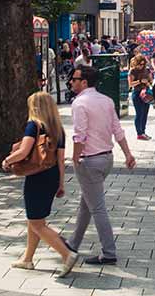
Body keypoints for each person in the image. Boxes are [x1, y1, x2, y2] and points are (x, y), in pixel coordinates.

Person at [65, 65, 136, 265]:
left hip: (89, 160)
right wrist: (128, 154)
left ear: (84, 82)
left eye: (75, 79)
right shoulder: (106, 101)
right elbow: (117, 130)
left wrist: (75, 157)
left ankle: (109, 251)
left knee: (97, 207)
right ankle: (73, 243)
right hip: (106, 159)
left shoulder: (79, 104)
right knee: (86, 203)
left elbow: (80, 134)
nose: (71, 82)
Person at [1, 91, 76, 277]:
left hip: (37, 177)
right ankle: (27, 259)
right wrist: (61, 183)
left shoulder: (33, 125)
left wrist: (7, 161)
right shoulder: (58, 129)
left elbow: (24, 150)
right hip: (51, 176)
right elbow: (60, 159)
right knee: (35, 219)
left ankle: (66, 253)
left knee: (37, 223)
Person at [128, 54, 153, 140]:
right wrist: (139, 81)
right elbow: (130, 84)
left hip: (146, 93)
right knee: (139, 113)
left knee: (145, 113)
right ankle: (139, 132)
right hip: (137, 92)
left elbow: (151, 81)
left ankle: (143, 131)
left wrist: (148, 83)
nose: (141, 66)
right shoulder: (133, 71)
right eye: (140, 64)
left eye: (143, 64)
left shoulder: (147, 70)